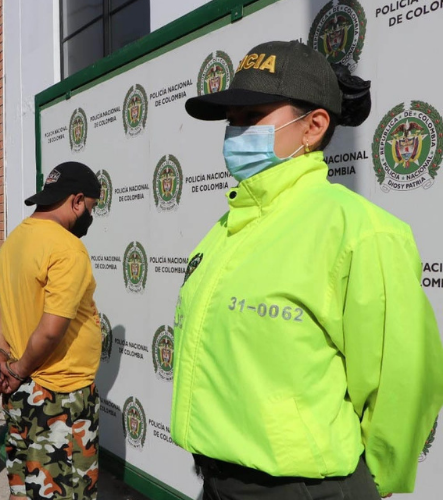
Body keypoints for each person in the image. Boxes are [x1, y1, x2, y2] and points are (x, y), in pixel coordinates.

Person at [171, 40, 443, 499]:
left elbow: (402, 380)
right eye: (231, 121)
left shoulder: (358, 230)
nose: (235, 132)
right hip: (218, 483)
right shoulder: (228, 227)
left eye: (251, 116)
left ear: (313, 126)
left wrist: (367, 486)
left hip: (303, 488)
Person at [0, 161, 102, 500]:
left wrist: (4, 353)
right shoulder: (66, 247)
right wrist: (17, 370)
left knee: (25, 485)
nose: (89, 217)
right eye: (90, 208)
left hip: (21, 391)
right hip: (60, 393)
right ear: (77, 200)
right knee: (67, 491)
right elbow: (51, 330)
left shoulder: (15, 239)